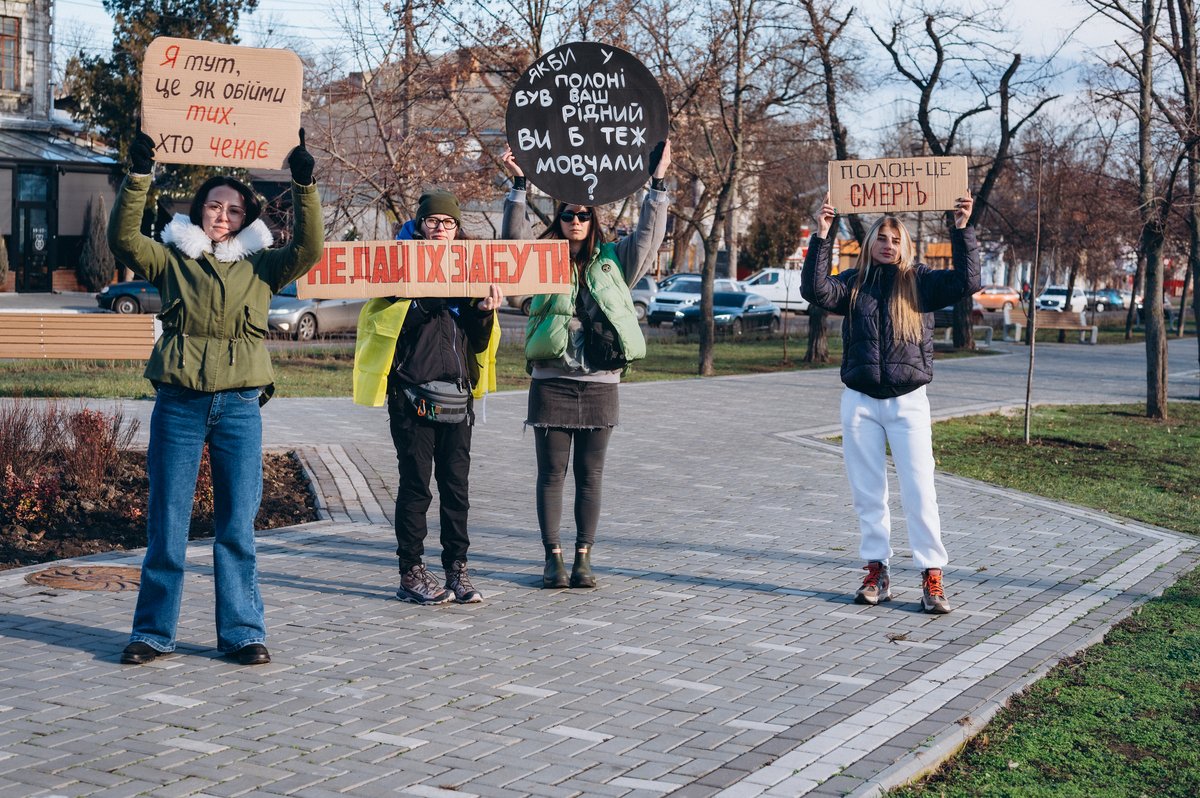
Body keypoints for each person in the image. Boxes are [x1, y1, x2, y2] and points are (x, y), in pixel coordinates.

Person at [110, 129, 323, 665]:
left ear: (246, 216)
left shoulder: (263, 266)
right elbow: (124, 242)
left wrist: (304, 184)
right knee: (168, 521)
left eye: (232, 209)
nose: (221, 215)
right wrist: (139, 177)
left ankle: (243, 632)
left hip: (240, 407)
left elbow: (309, 248)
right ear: (199, 211)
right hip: (179, 404)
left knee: (236, 526)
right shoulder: (173, 260)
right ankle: (154, 632)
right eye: (213, 206)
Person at [500, 142, 671, 589]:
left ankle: (583, 558)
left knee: (590, 475)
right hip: (552, 379)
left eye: (583, 215)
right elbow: (510, 248)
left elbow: (651, 237)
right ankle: (552, 557)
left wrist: (658, 185)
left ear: (594, 219)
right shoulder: (540, 260)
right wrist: (519, 186)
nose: (575, 222)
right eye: (567, 215)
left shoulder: (615, 260)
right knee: (552, 474)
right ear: (557, 218)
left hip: (599, 381)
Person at [801, 194, 979, 614]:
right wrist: (822, 235)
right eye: (881, 237)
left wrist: (961, 228)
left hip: (908, 403)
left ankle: (932, 576)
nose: (887, 244)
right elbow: (815, 289)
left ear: (905, 245)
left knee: (920, 492)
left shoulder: (920, 282)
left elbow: (966, 283)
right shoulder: (853, 282)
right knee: (868, 494)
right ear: (870, 244)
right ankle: (876, 571)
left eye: (895, 239)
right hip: (860, 402)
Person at [352, 190, 502, 605]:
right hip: (411, 397)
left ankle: (457, 569)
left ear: (457, 230)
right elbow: (380, 323)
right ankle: (411, 572)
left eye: (448, 222)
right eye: (433, 221)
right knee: (416, 486)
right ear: (419, 225)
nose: (440, 228)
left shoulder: (472, 270)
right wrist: (423, 299)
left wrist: (483, 311)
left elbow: (478, 342)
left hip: (457, 396)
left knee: (457, 489)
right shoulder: (392, 269)